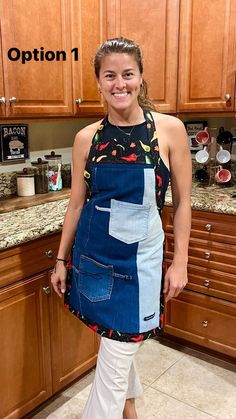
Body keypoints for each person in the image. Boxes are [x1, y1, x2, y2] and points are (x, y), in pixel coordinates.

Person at [51, 37, 192, 419]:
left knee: (113, 365)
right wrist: (61, 259)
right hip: (94, 262)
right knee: (115, 351)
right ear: (98, 82)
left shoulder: (168, 131)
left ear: (141, 77)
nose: (120, 84)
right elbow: (77, 203)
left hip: (141, 270)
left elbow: (181, 204)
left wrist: (179, 263)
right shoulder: (87, 139)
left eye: (127, 74)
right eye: (109, 75)